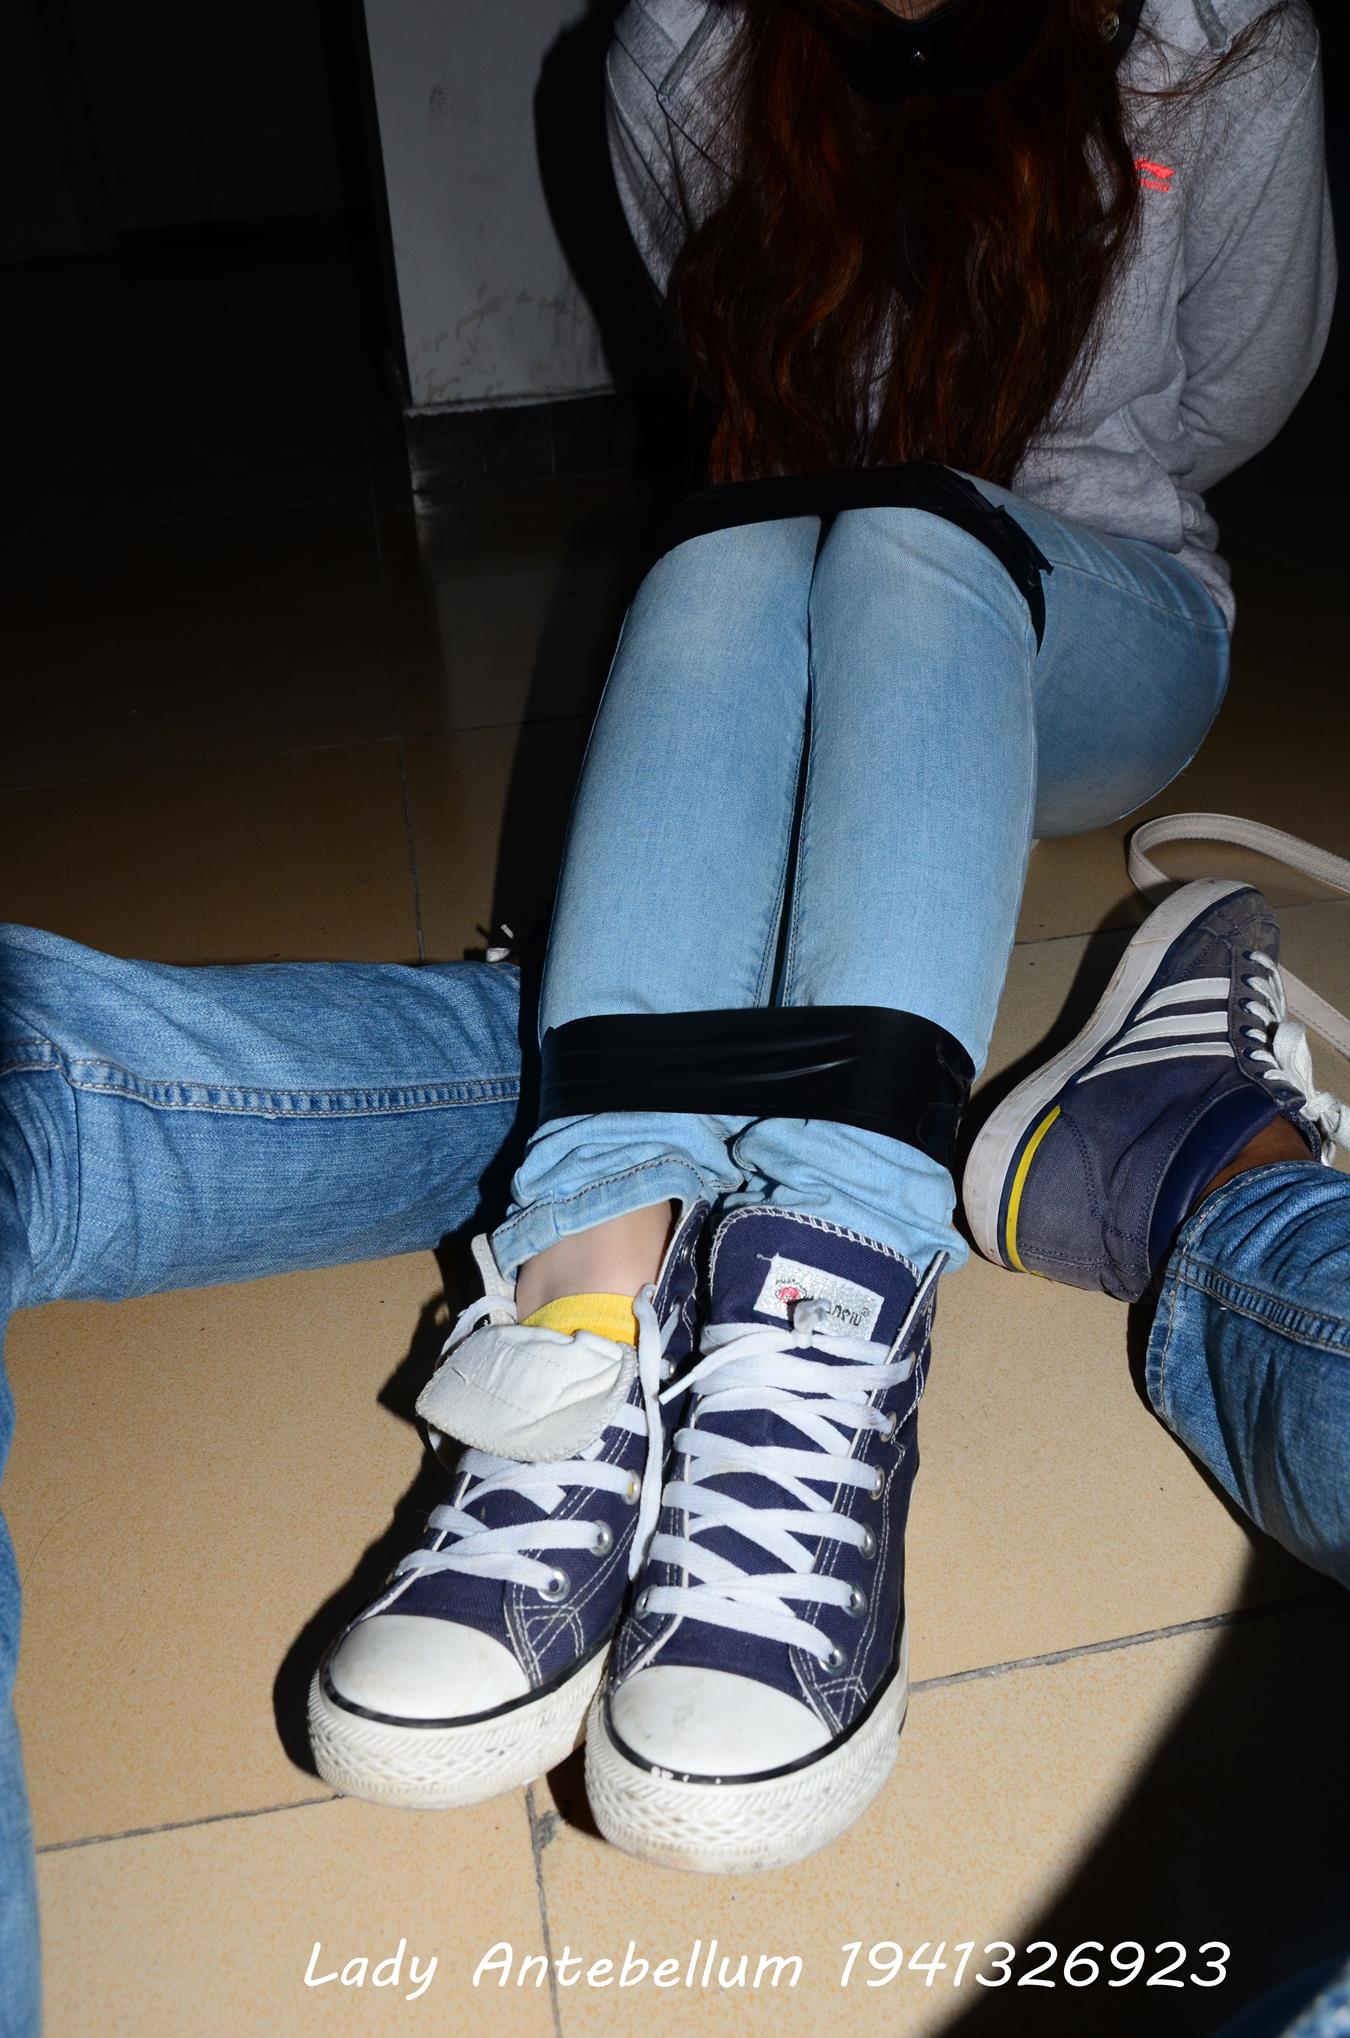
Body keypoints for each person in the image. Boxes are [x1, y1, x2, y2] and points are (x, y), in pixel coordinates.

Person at [1, 0, 1345, 2023]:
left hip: (1097, 599)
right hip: (786, 567)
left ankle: (821, 1312)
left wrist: (965, 497)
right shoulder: (686, 47)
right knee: (712, 567)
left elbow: (1228, 398)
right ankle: (586, 1316)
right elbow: (734, 369)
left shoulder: (1221, 39)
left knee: (916, 539)